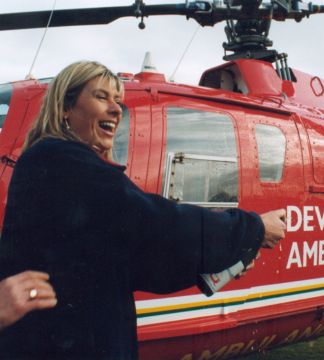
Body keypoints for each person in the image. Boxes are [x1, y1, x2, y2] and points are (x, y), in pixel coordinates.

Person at [0, 61, 286, 359]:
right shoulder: (60, 160)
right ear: (65, 108)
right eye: (101, 97)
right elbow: (158, 223)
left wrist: (223, 262)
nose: (116, 110)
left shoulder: (63, 167)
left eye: (118, 101)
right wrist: (254, 228)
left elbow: (137, 265)